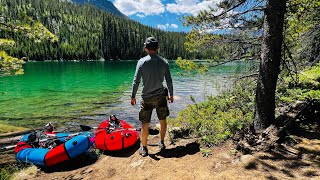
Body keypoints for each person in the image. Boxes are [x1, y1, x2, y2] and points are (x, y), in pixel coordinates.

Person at [131, 37, 174, 157]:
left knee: (145, 123)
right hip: (161, 96)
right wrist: (171, 95)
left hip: (146, 98)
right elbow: (169, 81)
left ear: (146, 48)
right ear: (158, 48)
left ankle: (144, 148)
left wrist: (133, 96)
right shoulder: (164, 62)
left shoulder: (141, 62)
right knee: (162, 119)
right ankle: (161, 142)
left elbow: (136, 81)